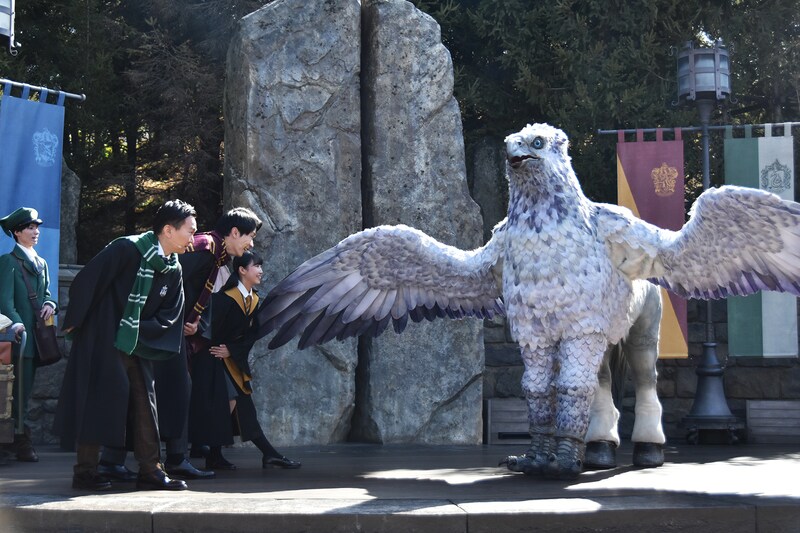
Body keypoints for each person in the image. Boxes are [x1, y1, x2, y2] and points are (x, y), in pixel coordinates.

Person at [97, 207, 264, 481]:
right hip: (156, 331)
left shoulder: (215, 255)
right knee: (166, 391)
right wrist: (170, 320)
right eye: (250, 236)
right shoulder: (203, 250)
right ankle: (165, 459)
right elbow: (166, 282)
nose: (252, 244)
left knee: (158, 394)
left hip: (166, 330)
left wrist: (193, 322)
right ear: (234, 233)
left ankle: (140, 459)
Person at [54, 200, 197, 491]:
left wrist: (139, 333)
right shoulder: (126, 249)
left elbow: (171, 313)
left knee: (147, 406)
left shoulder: (173, 268)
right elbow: (88, 280)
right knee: (97, 402)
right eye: (190, 231)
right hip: (103, 338)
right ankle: (85, 471)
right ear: (168, 230)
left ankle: (151, 470)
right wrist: (77, 323)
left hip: (137, 342)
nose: (194, 239)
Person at [189, 251, 300, 470]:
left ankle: (218, 452)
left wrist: (232, 350)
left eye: (261, 266)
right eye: (256, 266)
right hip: (211, 359)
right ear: (241, 270)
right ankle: (215, 451)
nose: (260, 271)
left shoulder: (254, 299)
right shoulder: (222, 299)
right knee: (229, 402)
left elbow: (251, 335)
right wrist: (218, 348)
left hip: (231, 360)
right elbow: (207, 329)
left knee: (240, 406)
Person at [0, 207, 58, 463]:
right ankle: (12, 440)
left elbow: (46, 292)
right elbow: (5, 301)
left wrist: (51, 304)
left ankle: (19, 438)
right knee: (10, 392)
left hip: (35, 339)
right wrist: (18, 324)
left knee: (25, 391)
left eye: (37, 227)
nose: (36, 232)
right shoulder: (8, 262)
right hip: (16, 339)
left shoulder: (41, 262)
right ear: (16, 232)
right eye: (30, 228)